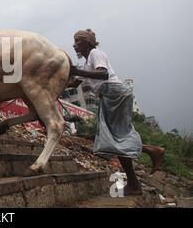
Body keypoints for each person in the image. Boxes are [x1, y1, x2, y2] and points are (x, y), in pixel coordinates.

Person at [69, 29, 165, 196]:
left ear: (89, 42)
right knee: (114, 139)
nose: (74, 45)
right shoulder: (86, 65)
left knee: (115, 138)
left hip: (114, 93)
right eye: (74, 41)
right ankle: (147, 157)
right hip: (110, 95)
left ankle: (138, 177)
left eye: (78, 41)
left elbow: (102, 73)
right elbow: (72, 83)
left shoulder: (95, 53)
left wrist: (76, 71)